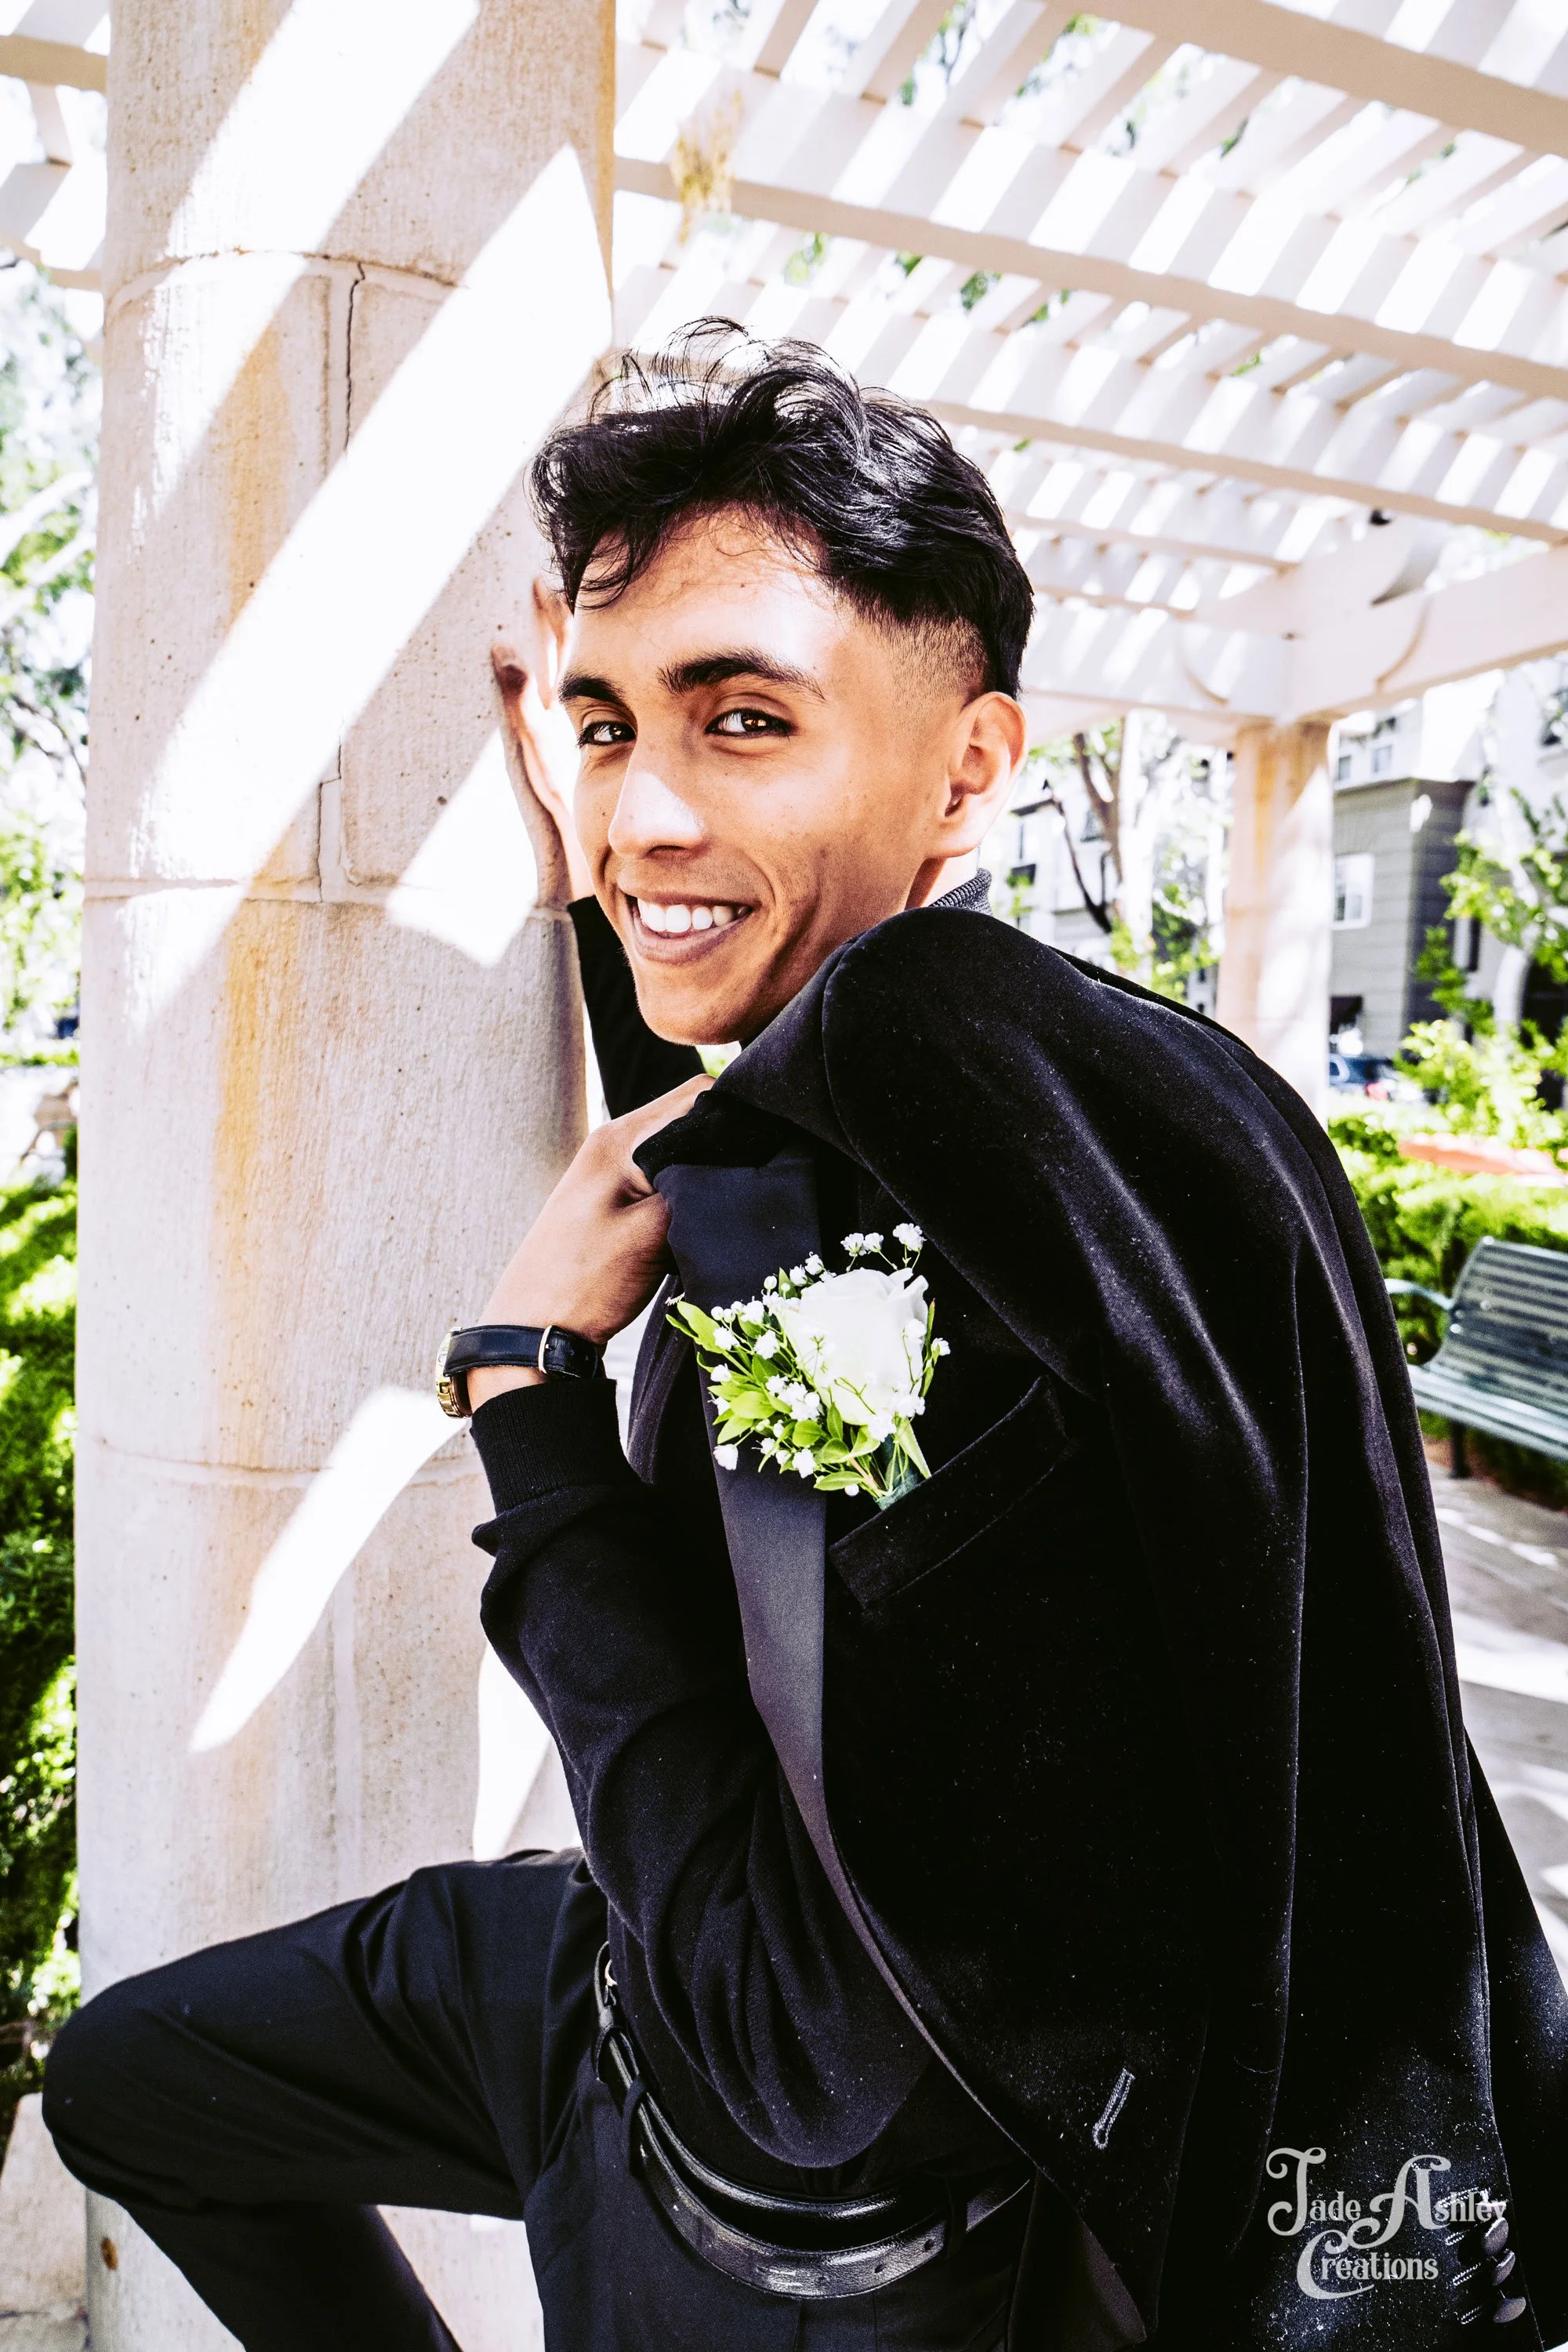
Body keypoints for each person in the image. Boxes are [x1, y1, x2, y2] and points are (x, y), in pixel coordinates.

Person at [43, 325, 1568, 2352]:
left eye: (744, 720)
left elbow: (801, 2040)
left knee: (147, 2088)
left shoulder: (951, 1126)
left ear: (974, 763)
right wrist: (633, 894)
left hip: (802, 2212)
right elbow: (757, 1132)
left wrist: (526, 1396)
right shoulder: (1026, 1097)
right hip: (627, 1985)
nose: (640, 811)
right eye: (606, 726)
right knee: (135, 2081)